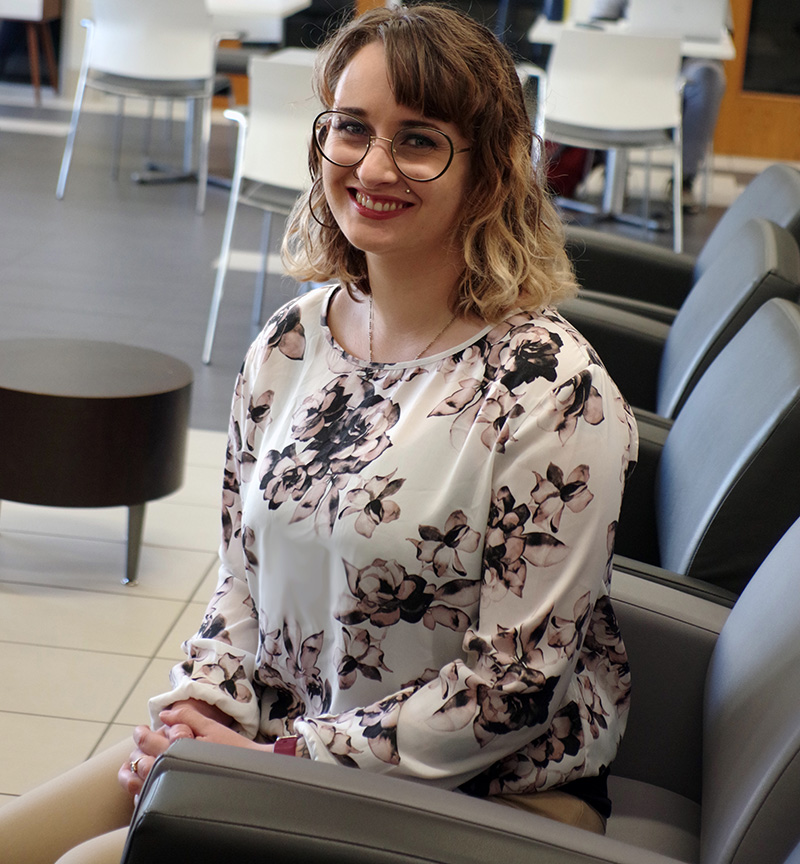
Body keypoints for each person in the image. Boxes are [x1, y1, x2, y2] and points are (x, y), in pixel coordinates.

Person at [0, 5, 638, 861]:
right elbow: (241, 577)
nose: (374, 166)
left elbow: (509, 693)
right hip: (278, 735)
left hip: (489, 794)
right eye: (350, 128)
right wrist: (204, 708)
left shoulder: (555, 395)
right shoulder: (293, 342)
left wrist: (274, 761)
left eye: (418, 140)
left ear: (487, 172)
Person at [588, 0, 728, 213]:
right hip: (636, 57)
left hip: (691, 61)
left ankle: (684, 180)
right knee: (604, 68)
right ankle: (613, 171)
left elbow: (724, 27)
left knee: (710, 77)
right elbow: (600, 17)